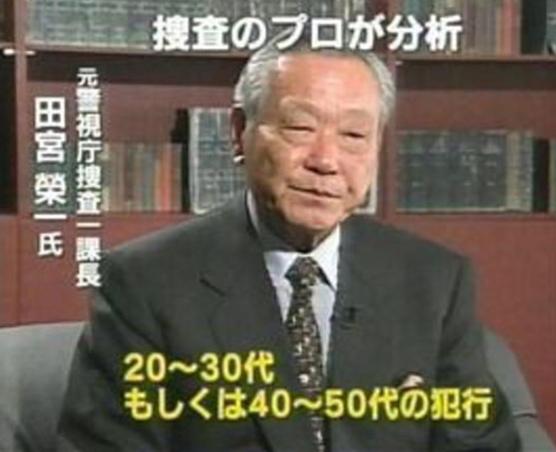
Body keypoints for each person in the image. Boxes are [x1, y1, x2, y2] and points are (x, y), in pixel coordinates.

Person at [58, 28, 521, 452]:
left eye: (354, 135)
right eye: (300, 127)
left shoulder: (433, 280)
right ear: (239, 132)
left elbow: (481, 445)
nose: (326, 161)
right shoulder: (145, 282)